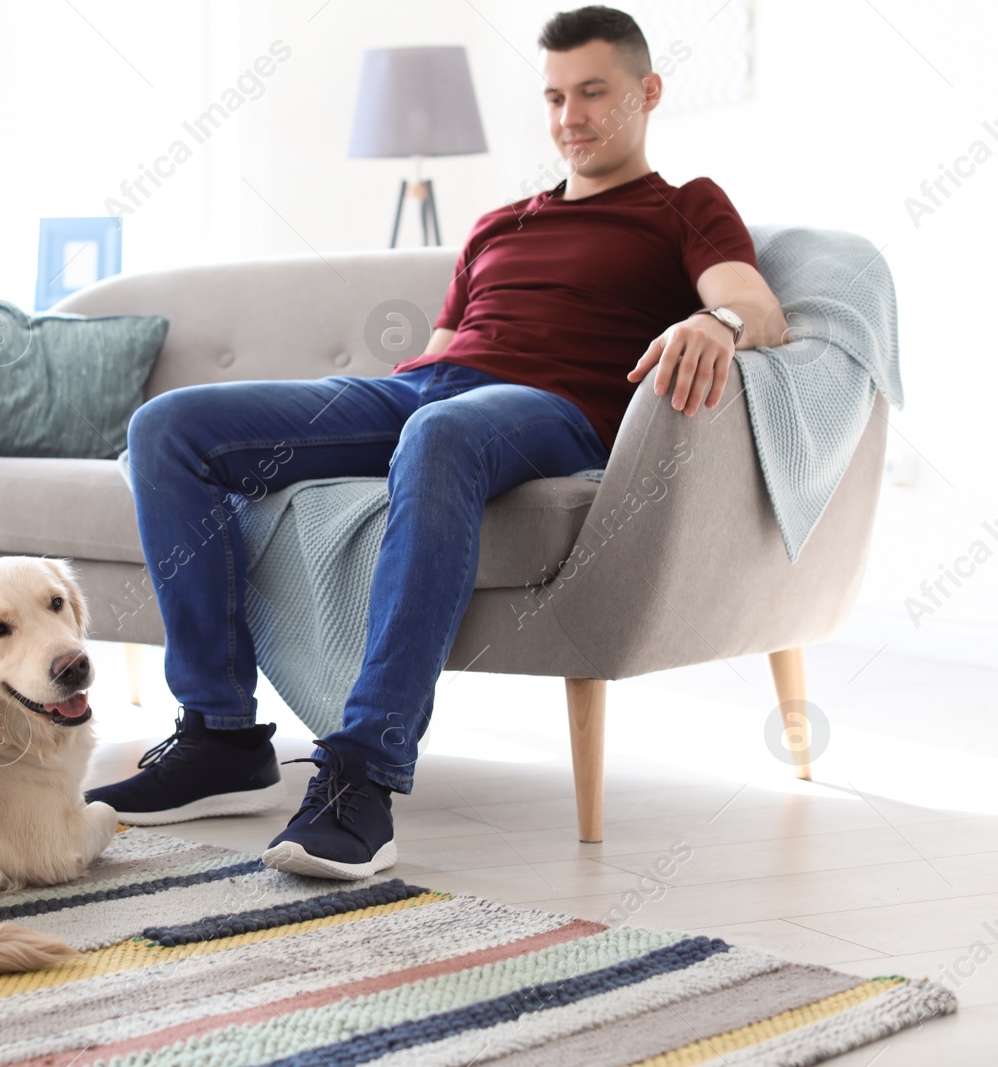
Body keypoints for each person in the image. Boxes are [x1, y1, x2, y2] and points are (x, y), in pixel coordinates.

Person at [87, 5, 788, 880]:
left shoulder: (685, 206)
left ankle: (363, 776)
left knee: (443, 430)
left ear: (647, 93)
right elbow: (452, 345)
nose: (570, 116)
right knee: (169, 427)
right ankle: (220, 735)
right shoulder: (498, 224)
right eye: (555, 96)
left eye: (594, 92)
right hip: (421, 388)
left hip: (553, 410)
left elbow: (756, 306)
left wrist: (717, 322)